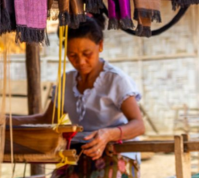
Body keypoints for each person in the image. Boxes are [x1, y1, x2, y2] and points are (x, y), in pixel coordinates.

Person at [8, 15, 145, 178]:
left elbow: (139, 125)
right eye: (72, 55)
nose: (80, 61)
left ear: (100, 45)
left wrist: (108, 134)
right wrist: (7, 120)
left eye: (87, 53)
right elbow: (48, 118)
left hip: (115, 151)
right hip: (76, 154)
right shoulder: (66, 81)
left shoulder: (115, 80)